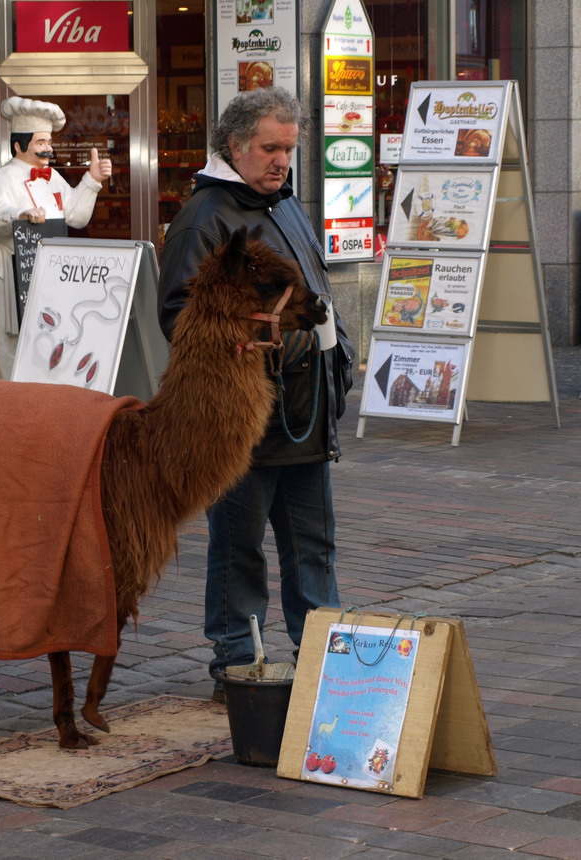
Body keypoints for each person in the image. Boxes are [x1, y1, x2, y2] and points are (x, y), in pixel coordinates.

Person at [157, 87, 355, 702]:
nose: (281, 162)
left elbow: (310, 297)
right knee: (239, 545)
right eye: (270, 148)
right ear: (235, 145)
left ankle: (323, 656)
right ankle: (238, 664)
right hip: (240, 418)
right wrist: (291, 351)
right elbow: (183, 318)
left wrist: (334, 354)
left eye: (289, 150)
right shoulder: (205, 218)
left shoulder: (284, 204)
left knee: (313, 546)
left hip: (305, 412)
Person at [0, 97, 112, 379]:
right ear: (19, 144)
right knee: (9, 341)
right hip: (7, 267)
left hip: (45, 270)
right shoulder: (2, 178)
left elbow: (75, 215)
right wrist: (21, 214)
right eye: (40, 142)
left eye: (48, 142)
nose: (47, 148)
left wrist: (91, 181)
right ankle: (6, 399)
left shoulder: (53, 178)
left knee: (46, 337)